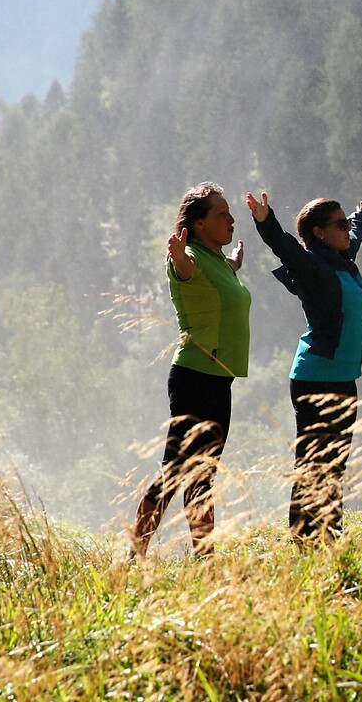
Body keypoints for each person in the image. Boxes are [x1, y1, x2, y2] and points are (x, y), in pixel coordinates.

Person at [130, 182, 250, 557]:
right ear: (198, 224)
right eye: (222, 214)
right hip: (196, 379)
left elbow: (217, 270)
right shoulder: (189, 257)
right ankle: (135, 553)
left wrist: (235, 263)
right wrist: (179, 255)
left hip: (218, 380)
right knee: (176, 471)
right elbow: (186, 268)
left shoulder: (216, 258)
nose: (232, 219)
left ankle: (205, 557)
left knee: (203, 474)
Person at [246, 191, 362, 543]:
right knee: (314, 465)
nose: (347, 230)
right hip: (315, 378)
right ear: (318, 232)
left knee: (335, 464)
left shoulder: (342, 256)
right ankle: (304, 541)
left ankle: (330, 537)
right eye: (341, 224)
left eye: (347, 223)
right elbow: (283, 246)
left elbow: (356, 238)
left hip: (346, 378)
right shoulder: (312, 265)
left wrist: (360, 218)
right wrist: (264, 220)